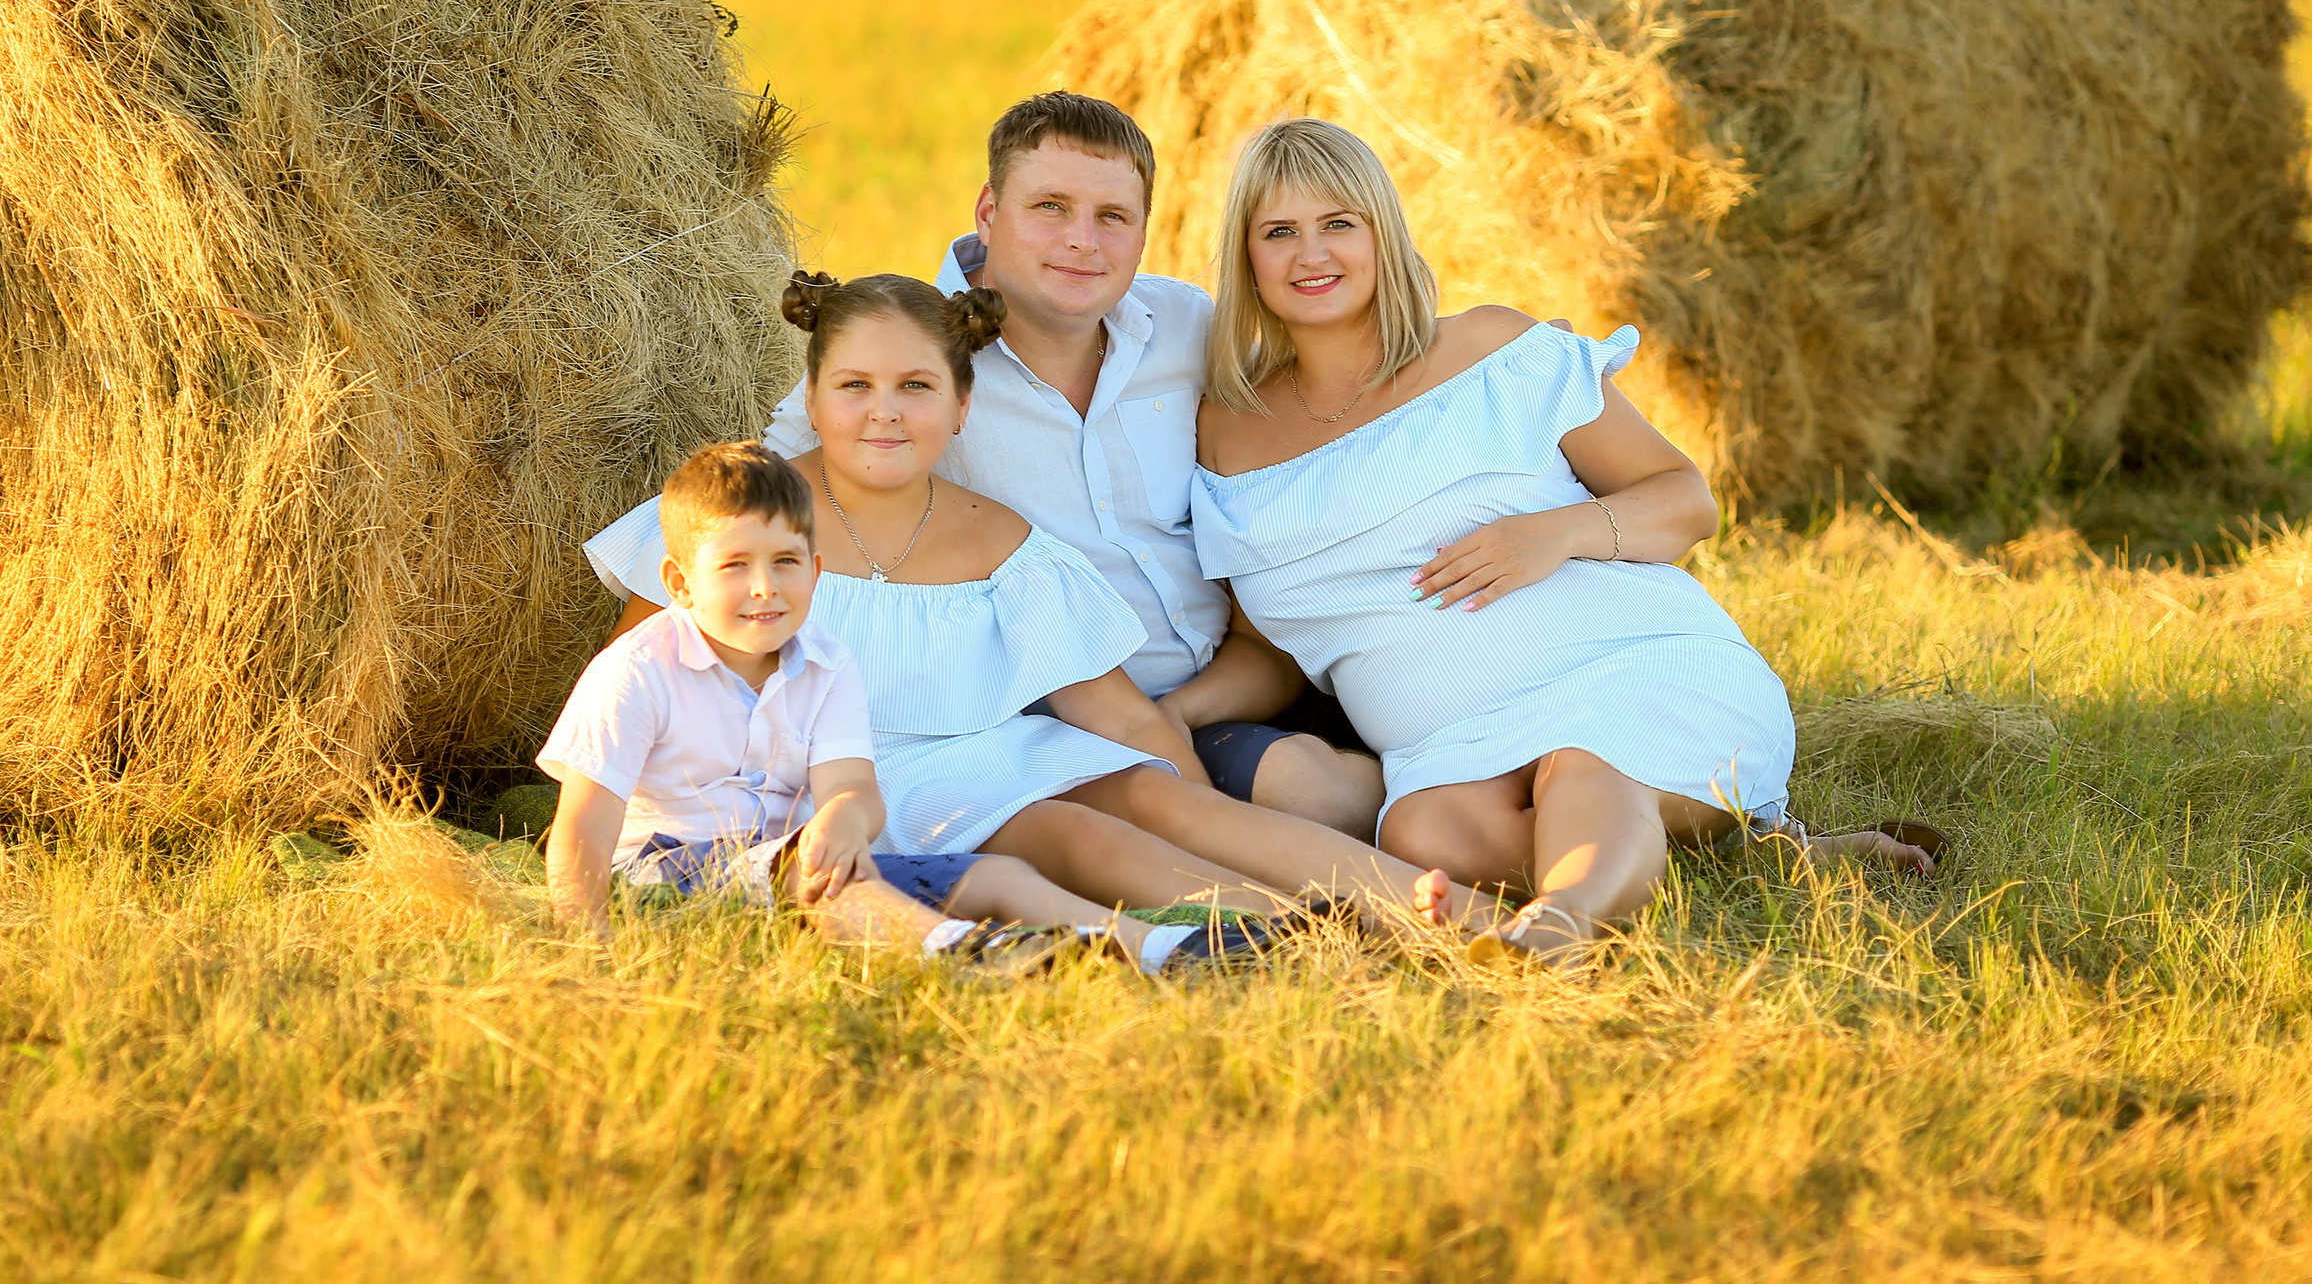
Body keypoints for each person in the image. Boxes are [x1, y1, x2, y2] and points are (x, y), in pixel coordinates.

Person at [1190, 118, 1944, 969]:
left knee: (1588, 765)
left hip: (1625, 662)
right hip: (1450, 742)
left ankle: (1562, 924)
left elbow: (1685, 499)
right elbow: (1268, 645)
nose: (1310, 254)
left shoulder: (1492, 354)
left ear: (1381, 233)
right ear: (1245, 256)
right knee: (1424, 828)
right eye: (1279, 231)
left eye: (1338, 224)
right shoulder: (1225, 434)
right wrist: (1160, 716)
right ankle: (1748, 846)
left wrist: (1558, 531)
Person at [586, 275, 1494, 934]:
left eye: (916, 387)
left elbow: (1118, 712)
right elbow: (642, 674)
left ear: (962, 404)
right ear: (813, 397)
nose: (884, 414)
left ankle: (1442, 910)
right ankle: (1295, 931)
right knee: (1065, 833)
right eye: (854, 386)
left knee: (1148, 793)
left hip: (989, 753)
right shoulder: (744, 518)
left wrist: (1182, 784)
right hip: (843, 781)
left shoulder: (1001, 542)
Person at [763, 92, 1385, 837]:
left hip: (1246, 671)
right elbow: (767, 499)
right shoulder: (909, 363)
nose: (1082, 242)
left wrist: (1502, 359)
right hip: (1079, 723)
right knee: (1315, 794)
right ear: (988, 210)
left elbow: (1334, 383)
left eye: (1113, 217)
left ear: (1145, 229)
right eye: (1051, 207)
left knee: (1430, 740)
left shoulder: (1186, 326)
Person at [544, 440, 1263, 975]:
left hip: (801, 860)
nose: (764, 587)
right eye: (734, 566)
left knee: (998, 875)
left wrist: (843, 818)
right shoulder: (636, 674)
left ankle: (1163, 946)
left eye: (786, 563)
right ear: (678, 582)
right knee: (825, 881)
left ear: (816, 572)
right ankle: (962, 952)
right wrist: (589, 947)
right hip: (666, 872)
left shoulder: (823, 664)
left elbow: (853, 784)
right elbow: (584, 821)